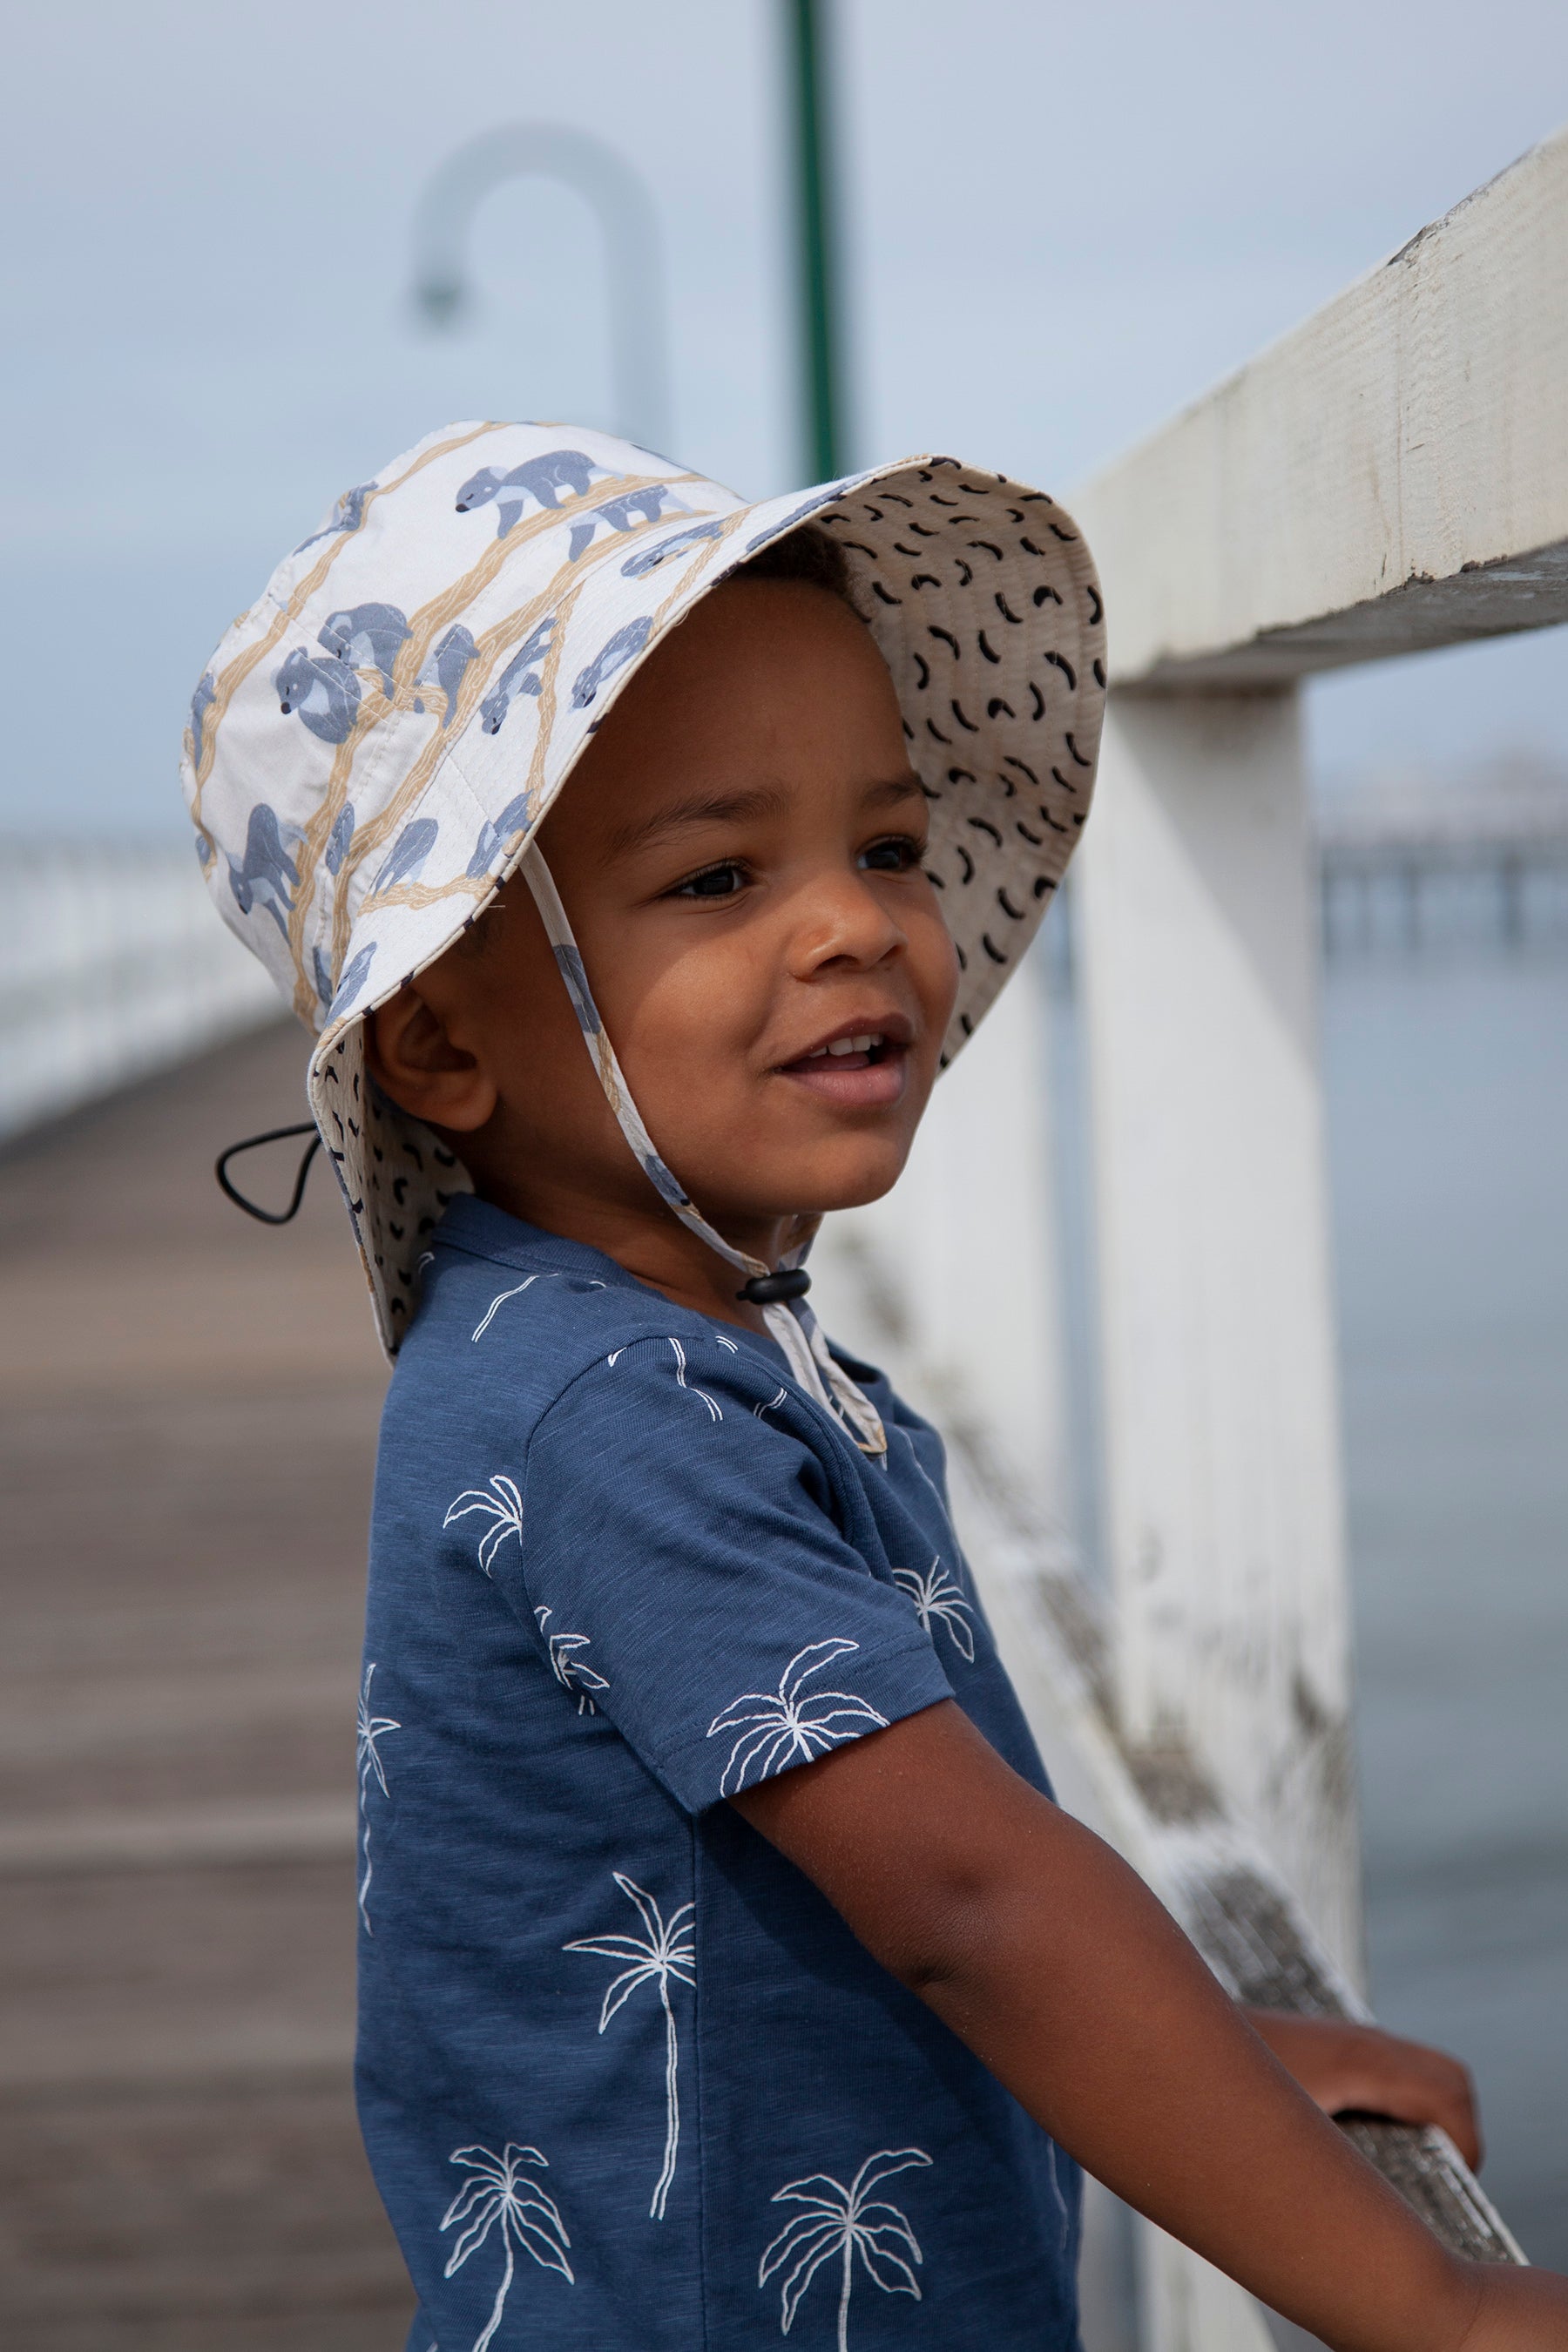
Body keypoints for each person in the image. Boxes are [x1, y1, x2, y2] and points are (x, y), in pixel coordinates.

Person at [184, 422, 1567, 2351]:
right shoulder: (615, 1412)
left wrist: (1216, 2046)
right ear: (437, 1042)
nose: (852, 922)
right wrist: (1435, 2305)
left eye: (891, 847)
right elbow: (967, 1901)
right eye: (720, 874)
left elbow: (836, 1888)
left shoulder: (669, 1340)